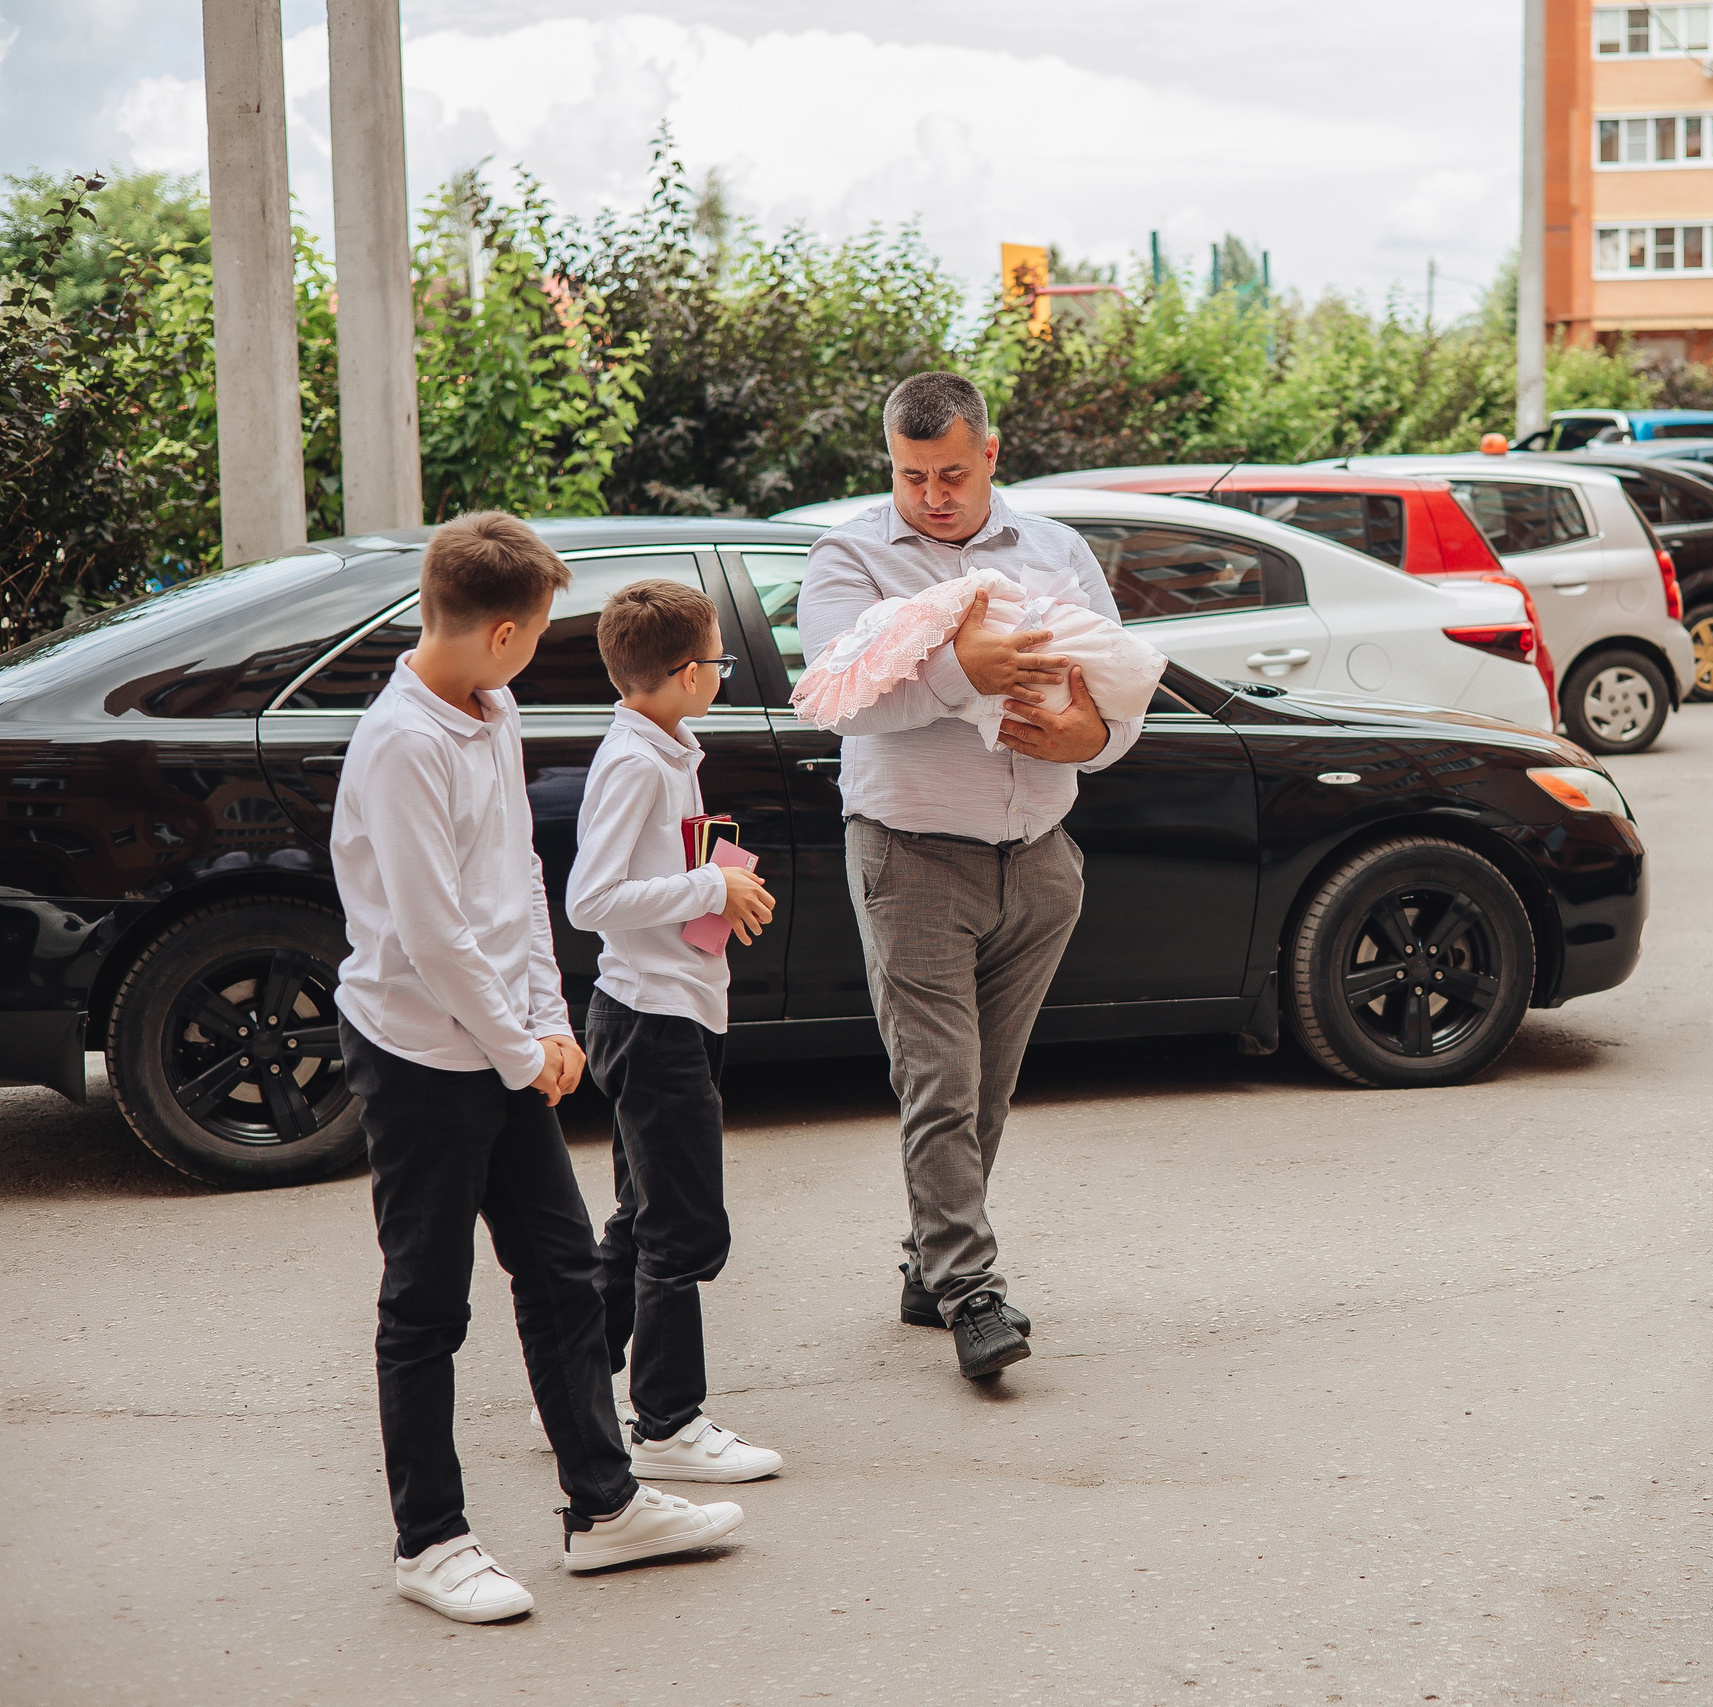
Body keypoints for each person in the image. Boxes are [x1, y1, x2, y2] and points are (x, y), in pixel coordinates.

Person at [335, 512, 745, 1623]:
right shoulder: (403, 741)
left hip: (506, 1046)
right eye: (541, 629)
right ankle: (430, 1540)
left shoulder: (491, 705)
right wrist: (522, 1048)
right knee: (426, 1307)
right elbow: (430, 933)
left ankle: (603, 1507)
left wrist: (548, 1023)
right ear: (505, 630)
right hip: (420, 1054)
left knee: (562, 1274)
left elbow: (514, 875)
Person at [797, 371, 1141, 1382]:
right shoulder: (848, 556)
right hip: (911, 859)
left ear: (990, 453)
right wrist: (963, 675)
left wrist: (1093, 736)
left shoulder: (1057, 551)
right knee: (939, 1086)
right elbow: (838, 698)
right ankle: (973, 1292)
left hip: (1040, 859)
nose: (933, 494)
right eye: (912, 477)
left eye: (951, 472)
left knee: (985, 1087)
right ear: (888, 465)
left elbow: (1112, 698)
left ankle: (929, 1264)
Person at [558, 578, 783, 1483]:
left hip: (674, 1005)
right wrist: (708, 888)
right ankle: (668, 1420)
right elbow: (590, 897)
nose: (723, 674)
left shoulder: (668, 748)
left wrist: (715, 887)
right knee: (684, 1228)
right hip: (649, 1016)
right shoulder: (635, 763)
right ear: (687, 674)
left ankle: (577, 1392)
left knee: (644, 1214)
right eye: (721, 662)